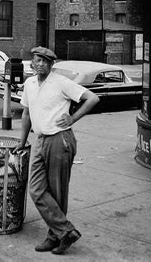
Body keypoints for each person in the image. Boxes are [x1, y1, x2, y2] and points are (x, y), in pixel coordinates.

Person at [13, 46, 99, 255]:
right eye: (37, 60)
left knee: (57, 192)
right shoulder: (30, 84)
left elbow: (92, 98)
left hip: (60, 140)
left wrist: (72, 118)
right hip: (39, 140)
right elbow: (26, 114)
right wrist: (22, 141)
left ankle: (55, 237)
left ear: (51, 64)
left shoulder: (60, 82)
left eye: (45, 61)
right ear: (32, 63)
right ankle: (66, 232)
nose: (40, 64)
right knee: (36, 189)